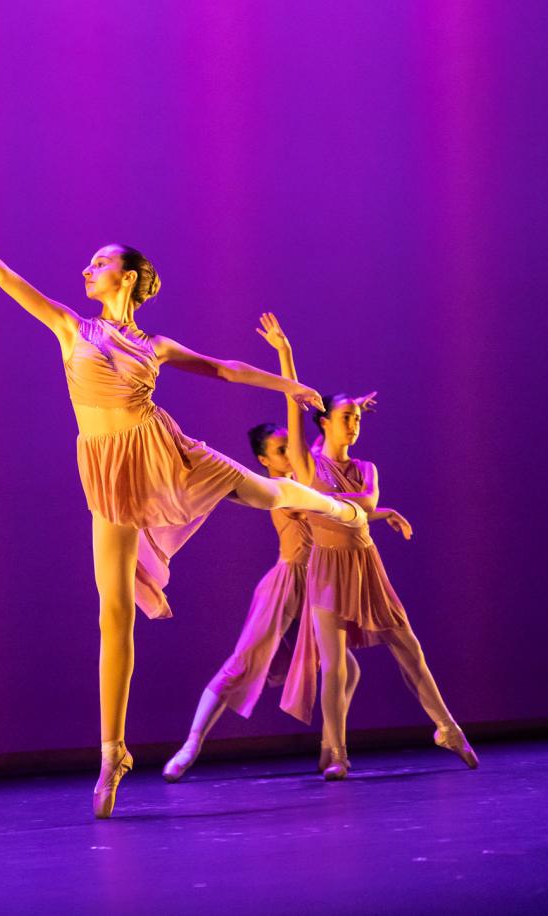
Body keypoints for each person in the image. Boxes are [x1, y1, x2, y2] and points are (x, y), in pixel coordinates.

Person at [0, 218, 368, 816]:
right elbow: (5, 276)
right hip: (111, 474)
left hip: (164, 451)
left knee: (270, 495)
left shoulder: (155, 346)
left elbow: (221, 368)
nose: (87, 269)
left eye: (100, 261)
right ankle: (112, 752)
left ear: (131, 276)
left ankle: (339, 507)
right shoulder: (71, 326)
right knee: (114, 614)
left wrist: (286, 384)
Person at [163, 315, 399, 781]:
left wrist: (377, 508)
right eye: (281, 447)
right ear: (265, 461)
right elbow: (298, 410)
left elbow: (332, 492)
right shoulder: (279, 488)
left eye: (293, 444)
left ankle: (332, 750)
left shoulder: (307, 479)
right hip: (289, 582)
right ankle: (192, 744)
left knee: (346, 670)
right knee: (243, 662)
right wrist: (284, 357)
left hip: (318, 585)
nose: (292, 450)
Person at [249, 316, 480, 779]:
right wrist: (285, 353)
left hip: (365, 563)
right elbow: (293, 399)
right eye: (346, 418)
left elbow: (364, 501)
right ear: (325, 423)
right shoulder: (304, 463)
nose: (354, 425)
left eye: (357, 419)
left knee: (407, 646)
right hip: (328, 567)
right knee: (333, 668)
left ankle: (447, 727)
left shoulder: (365, 468)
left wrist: (356, 507)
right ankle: (336, 752)